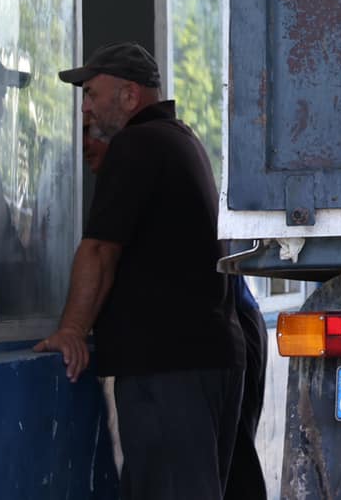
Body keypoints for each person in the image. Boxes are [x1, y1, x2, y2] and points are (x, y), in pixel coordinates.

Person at [37, 42, 245, 500]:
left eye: (92, 94)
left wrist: (71, 330)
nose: (86, 108)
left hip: (169, 367)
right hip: (198, 361)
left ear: (129, 95)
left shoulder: (137, 144)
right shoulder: (178, 138)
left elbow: (99, 251)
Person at [83, 124, 268, 500]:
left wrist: (73, 328)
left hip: (215, 338)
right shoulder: (174, 148)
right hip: (222, 338)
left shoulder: (142, 160)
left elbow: (100, 255)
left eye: (91, 135)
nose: (85, 147)